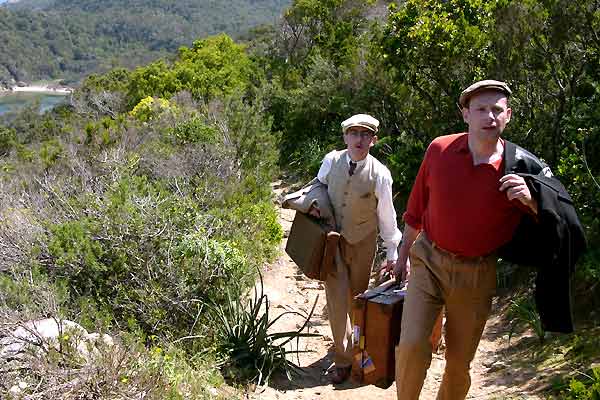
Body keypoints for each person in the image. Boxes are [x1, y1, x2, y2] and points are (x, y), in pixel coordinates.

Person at [391, 80, 542, 400]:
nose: (490, 116)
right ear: (465, 115)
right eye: (481, 109)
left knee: (459, 365)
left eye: (497, 110)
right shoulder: (440, 150)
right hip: (429, 260)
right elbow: (416, 210)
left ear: (508, 115)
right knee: (412, 345)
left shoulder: (519, 168)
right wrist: (402, 255)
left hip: (476, 273)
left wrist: (532, 200)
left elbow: (550, 227)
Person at [310, 113, 402, 384]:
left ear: (373, 140)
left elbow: (387, 215)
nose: (359, 139)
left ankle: (361, 352)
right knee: (337, 300)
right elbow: (318, 188)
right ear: (345, 137)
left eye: (365, 135)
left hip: (363, 243)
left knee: (357, 301)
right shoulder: (331, 161)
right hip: (332, 243)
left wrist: (393, 251)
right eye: (354, 133)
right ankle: (343, 359)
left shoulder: (381, 174)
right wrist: (313, 209)